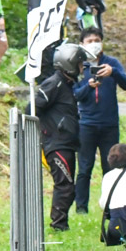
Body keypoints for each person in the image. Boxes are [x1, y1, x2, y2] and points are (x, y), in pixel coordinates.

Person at [73, 27, 126, 216]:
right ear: (82, 44)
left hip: (109, 124)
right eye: (89, 41)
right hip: (86, 124)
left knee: (111, 166)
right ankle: (81, 208)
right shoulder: (78, 66)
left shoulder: (111, 63)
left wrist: (113, 72)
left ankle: (111, 207)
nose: (94, 43)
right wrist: (89, 86)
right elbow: (75, 95)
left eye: (97, 40)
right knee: (84, 167)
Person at [36, 43, 87, 232]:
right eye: (80, 64)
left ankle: (60, 223)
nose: (82, 68)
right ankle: (58, 226)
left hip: (67, 142)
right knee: (64, 186)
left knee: (68, 187)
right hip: (55, 143)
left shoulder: (67, 84)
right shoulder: (54, 83)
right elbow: (32, 109)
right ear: (71, 64)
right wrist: (46, 132)